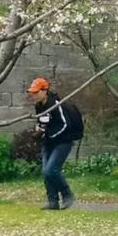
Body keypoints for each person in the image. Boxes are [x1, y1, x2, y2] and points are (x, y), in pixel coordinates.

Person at [27, 77, 79, 211]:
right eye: (32, 92)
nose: (33, 95)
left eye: (36, 92)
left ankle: (67, 195)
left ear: (45, 91)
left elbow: (65, 124)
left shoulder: (56, 104)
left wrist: (48, 134)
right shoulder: (39, 105)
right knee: (46, 172)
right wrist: (38, 130)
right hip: (48, 142)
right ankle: (52, 202)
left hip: (63, 141)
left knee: (52, 170)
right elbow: (43, 122)